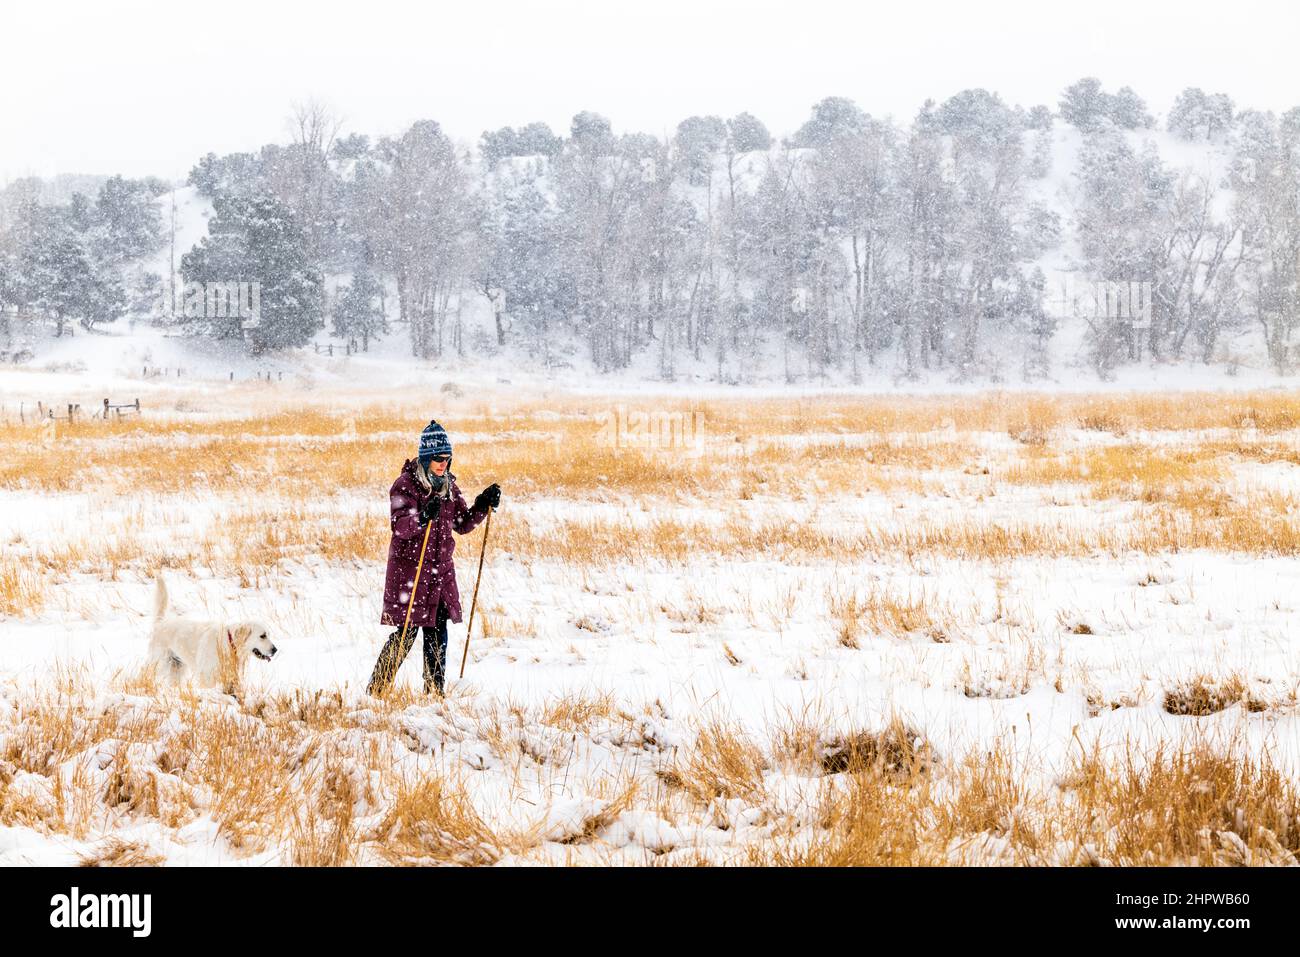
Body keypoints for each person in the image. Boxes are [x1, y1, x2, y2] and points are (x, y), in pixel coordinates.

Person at [367, 419, 501, 697]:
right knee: (406, 636)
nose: (443, 464)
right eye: (438, 459)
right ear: (426, 458)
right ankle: (376, 691)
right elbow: (400, 526)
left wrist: (482, 504)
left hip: (439, 576)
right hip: (411, 576)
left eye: (447, 459)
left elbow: (462, 523)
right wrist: (422, 516)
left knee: (438, 635)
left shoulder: (449, 486)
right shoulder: (405, 485)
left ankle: (434, 694)